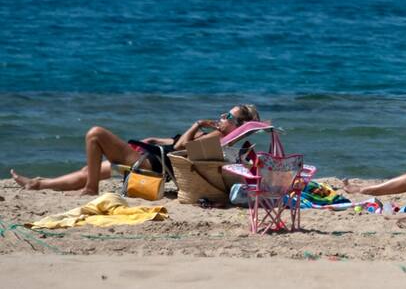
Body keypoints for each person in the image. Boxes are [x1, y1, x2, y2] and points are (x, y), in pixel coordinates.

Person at [9, 103, 261, 195]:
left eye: (228, 115)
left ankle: (90, 189)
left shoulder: (217, 136)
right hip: (154, 156)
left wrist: (195, 124)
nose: (221, 115)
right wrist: (155, 139)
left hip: (153, 165)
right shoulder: (216, 136)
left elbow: (182, 147)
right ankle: (38, 184)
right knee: (91, 167)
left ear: (237, 125)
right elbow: (178, 145)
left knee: (95, 134)